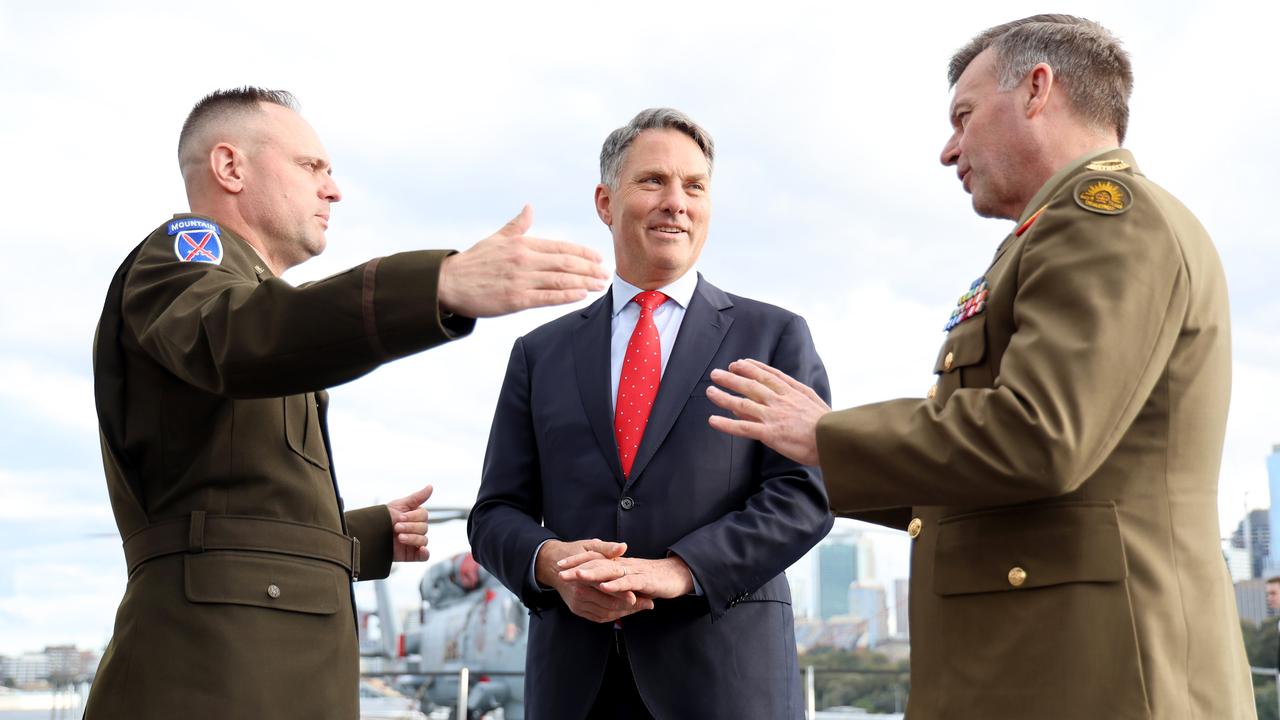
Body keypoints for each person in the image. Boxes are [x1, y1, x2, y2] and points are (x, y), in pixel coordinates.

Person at [706, 15, 1255, 719]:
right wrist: (810, 457)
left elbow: (1040, 437)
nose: (948, 149)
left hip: (1097, 673)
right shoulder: (1052, 236)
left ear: (1036, 90)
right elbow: (987, 479)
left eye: (963, 117)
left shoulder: (1105, 219)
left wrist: (831, 436)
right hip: (1050, 666)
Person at [87, 87, 608, 719]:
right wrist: (437, 285)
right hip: (215, 676)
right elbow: (239, 340)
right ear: (231, 168)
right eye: (312, 167)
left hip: (270, 673)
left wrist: (365, 534)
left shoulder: (259, 307)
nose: (333, 190)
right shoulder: (184, 254)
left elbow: (234, 515)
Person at [467, 108, 833, 720]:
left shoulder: (774, 336)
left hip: (725, 679)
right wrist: (550, 565)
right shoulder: (539, 353)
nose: (676, 203)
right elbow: (495, 512)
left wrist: (680, 569)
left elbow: (806, 494)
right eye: (653, 182)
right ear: (605, 202)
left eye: (695, 186)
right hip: (574, 684)